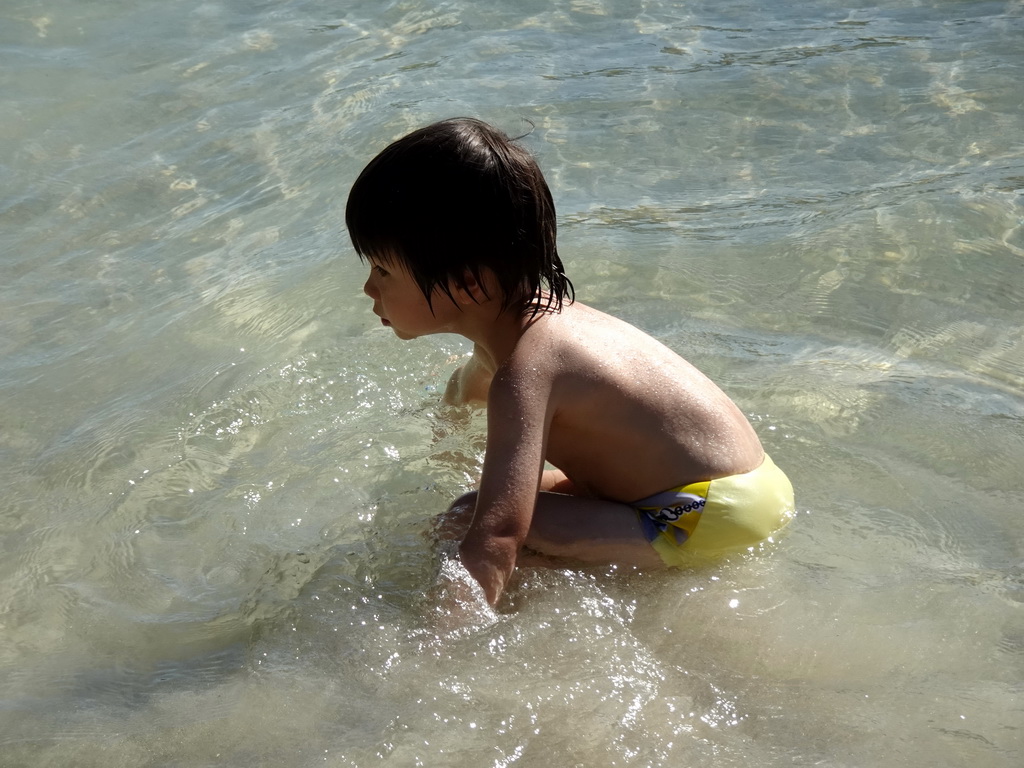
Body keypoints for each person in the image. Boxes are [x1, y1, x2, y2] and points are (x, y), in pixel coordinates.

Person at [346, 117, 794, 606]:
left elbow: (497, 534)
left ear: (468, 284)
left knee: (465, 520)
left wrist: (433, 650)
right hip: (744, 488)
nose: (369, 288)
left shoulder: (525, 371)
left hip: (705, 517)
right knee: (500, 500)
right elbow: (463, 390)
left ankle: (477, 622)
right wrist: (448, 442)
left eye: (383, 269)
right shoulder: (540, 330)